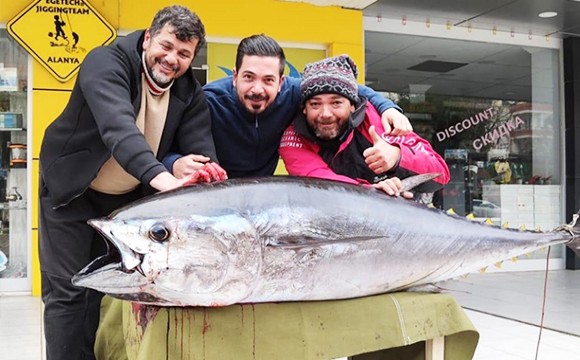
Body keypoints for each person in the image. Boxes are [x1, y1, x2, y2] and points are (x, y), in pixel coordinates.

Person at [38, 6, 226, 360]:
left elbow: (202, 151)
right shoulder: (105, 62)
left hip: (128, 202)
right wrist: (167, 181)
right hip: (71, 192)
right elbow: (118, 130)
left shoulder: (189, 92)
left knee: (116, 291)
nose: (172, 59)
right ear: (148, 37)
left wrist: (197, 170)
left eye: (184, 54)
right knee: (69, 292)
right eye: (166, 46)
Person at [164, 34, 413, 179]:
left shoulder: (296, 92)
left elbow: (347, 88)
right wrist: (174, 163)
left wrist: (387, 106)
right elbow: (164, 149)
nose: (257, 88)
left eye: (268, 80)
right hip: (216, 197)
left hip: (264, 197)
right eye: (249, 77)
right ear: (235, 75)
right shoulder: (208, 101)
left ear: (282, 82)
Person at [279, 54, 450, 197]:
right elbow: (320, 181)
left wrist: (397, 157)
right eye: (315, 104)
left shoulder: (378, 120)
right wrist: (374, 192)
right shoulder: (292, 138)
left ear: (353, 105)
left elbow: (441, 173)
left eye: (336, 103)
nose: (325, 113)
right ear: (304, 109)